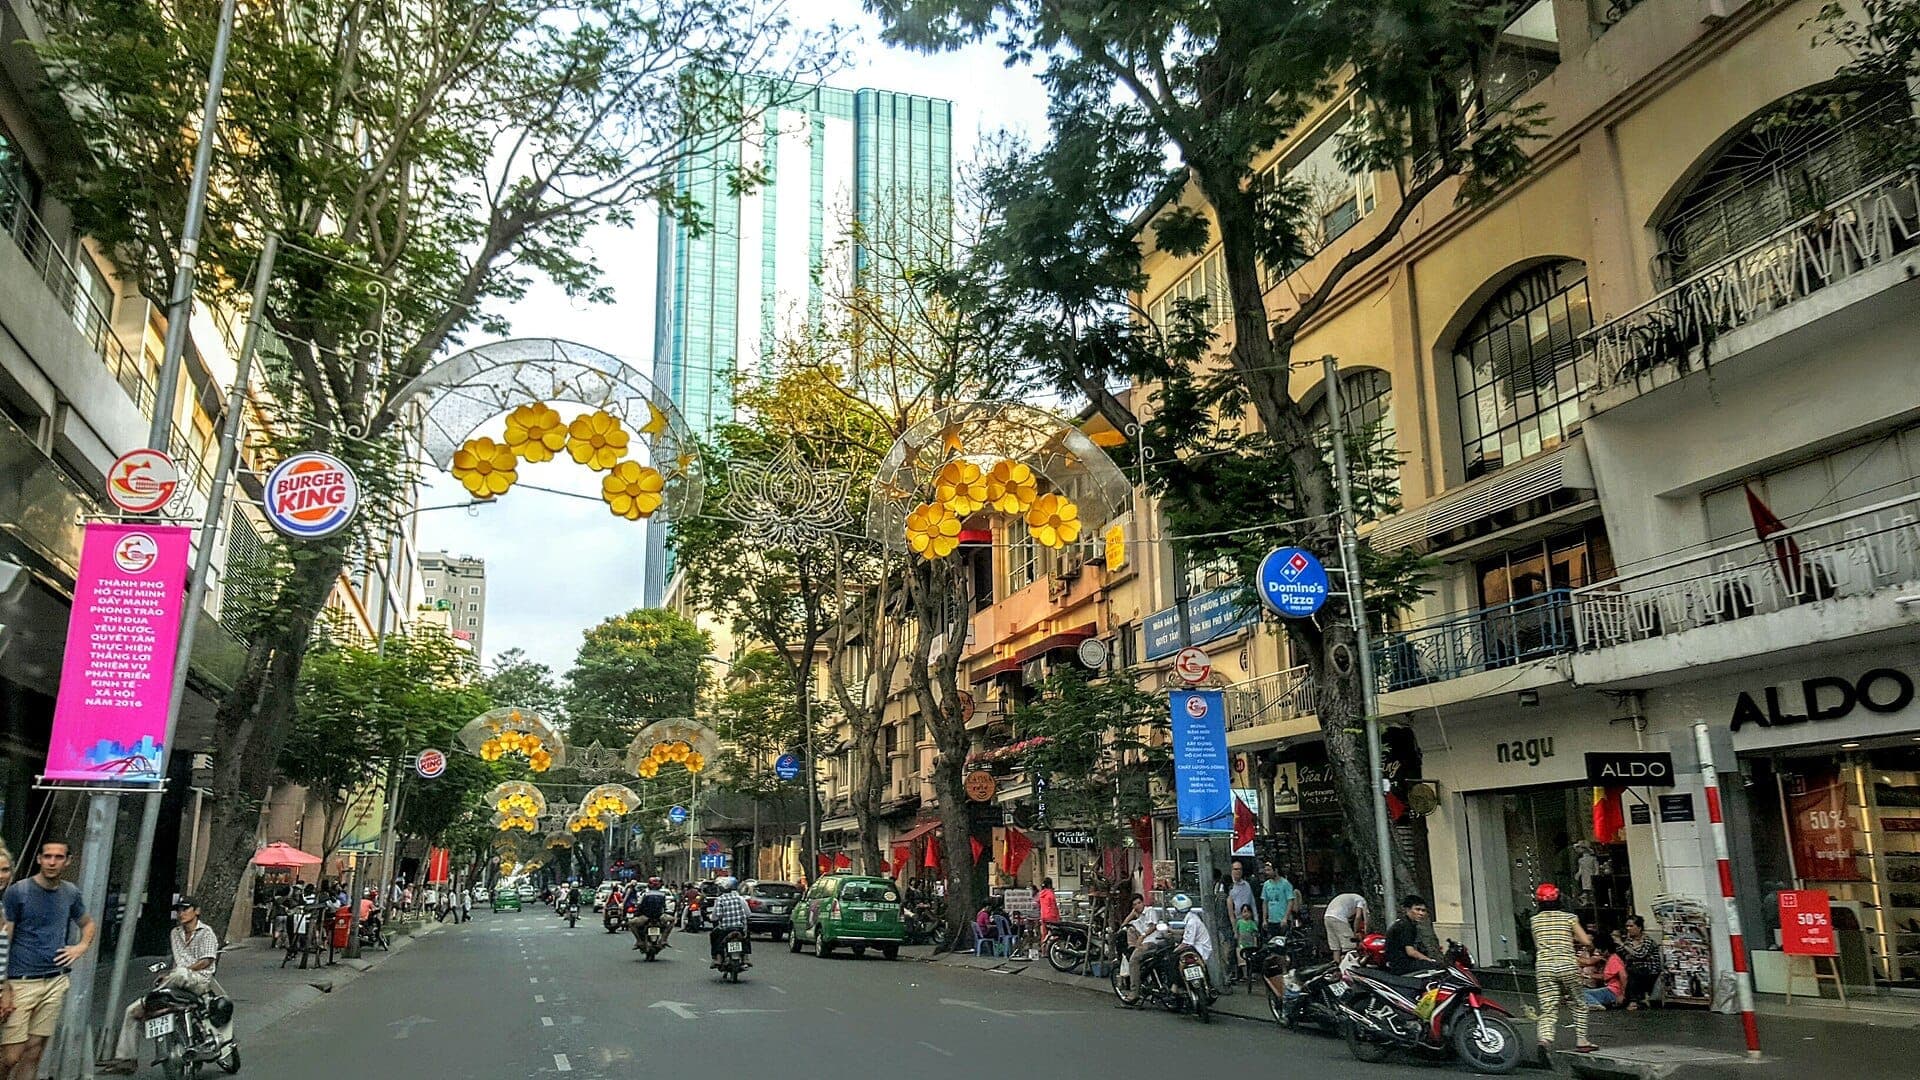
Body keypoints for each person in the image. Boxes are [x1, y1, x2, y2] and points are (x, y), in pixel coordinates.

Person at [2, 840, 97, 1080]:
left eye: (58, 857)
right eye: (47, 856)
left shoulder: (70, 892)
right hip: (21, 981)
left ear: (67, 861)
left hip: (54, 980)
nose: (52, 862)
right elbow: (5, 940)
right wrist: (3, 985)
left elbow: (87, 923)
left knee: (34, 1051)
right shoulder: (19, 892)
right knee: (11, 1055)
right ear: (39, 859)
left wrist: (81, 947)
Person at [103, 898, 230, 1074]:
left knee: (179, 973)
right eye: (179, 909)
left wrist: (179, 972)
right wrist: (168, 974)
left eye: (186, 909)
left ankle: (154, 997)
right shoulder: (175, 933)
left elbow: (207, 960)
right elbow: (176, 961)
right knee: (131, 1011)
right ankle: (126, 1059)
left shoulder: (206, 932)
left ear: (196, 911)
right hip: (176, 983)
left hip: (198, 980)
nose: (181, 913)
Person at [1530, 882, 1598, 1060]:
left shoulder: (1535, 920)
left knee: (1548, 1007)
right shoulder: (1569, 918)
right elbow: (1585, 941)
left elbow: (1538, 945)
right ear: (1558, 898)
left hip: (1544, 967)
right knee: (1578, 1003)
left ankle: (1544, 1040)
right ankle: (1582, 1041)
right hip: (1567, 964)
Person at [1384, 894, 1436, 975]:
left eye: (1423, 910)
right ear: (1408, 909)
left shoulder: (1405, 923)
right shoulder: (1407, 926)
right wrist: (1429, 960)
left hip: (1399, 963)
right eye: (1417, 909)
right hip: (1402, 965)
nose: (1421, 913)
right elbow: (1410, 952)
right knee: (1438, 967)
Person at [1616, 916, 1661, 1009]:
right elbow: (1621, 953)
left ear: (1639, 928)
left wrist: (1623, 945)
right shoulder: (1629, 941)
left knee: (1635, 971)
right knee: (1628, 971)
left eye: (1631, 926)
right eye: (1627, 926)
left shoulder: (1647, 941)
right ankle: (1627, 999)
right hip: (1634, 969)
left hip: (1650, 971)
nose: (1628, 929)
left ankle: (1633, 1001)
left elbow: (1640, 955)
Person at [707, 877, 749, 967]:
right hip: (739, 927)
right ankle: (746, 957)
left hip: (725, 929)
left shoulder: (720, 900)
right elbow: (748, 914)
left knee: (714, 936)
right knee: (746, 937)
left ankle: (717, 957)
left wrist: (710, 917)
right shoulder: (740, 899)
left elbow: (716, 916)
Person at [1583, 943, 1628, 1010]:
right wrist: (1588, 975)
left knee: (1581, 993)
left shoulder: (1614, 959)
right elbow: (1605, 976)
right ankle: (1589, 1002)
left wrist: (1622, 994)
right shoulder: (1611, 958)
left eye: (1600, 949)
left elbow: (1624, 976)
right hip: (1611, 989)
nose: (1598, 951)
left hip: (1613, 992)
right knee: (1582, 990)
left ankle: (1594, 1004)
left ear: (1606, 950)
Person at [1324, 889, 1369, 954]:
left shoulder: (1350, 898)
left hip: (1327, 916)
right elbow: (1358, 917)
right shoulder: (1361, 900)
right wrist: (1356, 932)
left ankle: (1337, 962)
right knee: (1350, 945)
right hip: (1339, 917)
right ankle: (1350, 962)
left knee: (1336, 947)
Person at [630, 878, 671, 950]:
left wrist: (637, 913)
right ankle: (664, 939)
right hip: (659, 917)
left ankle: (639, 941)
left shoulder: (645, 894)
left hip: (646, 917)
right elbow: (664, 906)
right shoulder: (662, 894)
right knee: (672, 920)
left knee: (631, 923)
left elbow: (640, 905)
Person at [1260, 863, 1297, 934]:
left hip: (1283, 920)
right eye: (1265, 870)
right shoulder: (1266, 885)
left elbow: (1290, 901)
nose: (1266, 872)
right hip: (1271, 920)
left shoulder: (1285, 883)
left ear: (1275, 870)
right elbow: (1265, 902)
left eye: (1269, 870)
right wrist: (1264, 919)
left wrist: (1285, 918)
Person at [1234, 904, 1259, 982]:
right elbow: (1237, 932)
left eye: (1248, 912)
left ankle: (1251, 975)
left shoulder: (1252, 923)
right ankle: (1245, 975)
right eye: (1244, 912)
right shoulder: (1239, 922)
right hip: (1241, 943)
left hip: (1250, 944)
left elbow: (1255, 935)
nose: (1246, 914)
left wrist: (1255, 945)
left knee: (1250, 960)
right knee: (1242, 959)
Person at [1035, 878, 1059, 943]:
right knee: (1056, 933)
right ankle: (1054, 948)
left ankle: (1044, 949)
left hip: (1043, 915)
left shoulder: (1041, 893)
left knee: (1044, 934)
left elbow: (1038, 903)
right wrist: (1058, 917)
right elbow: (1053, 905)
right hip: (1051, 915)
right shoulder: (1050, 893)